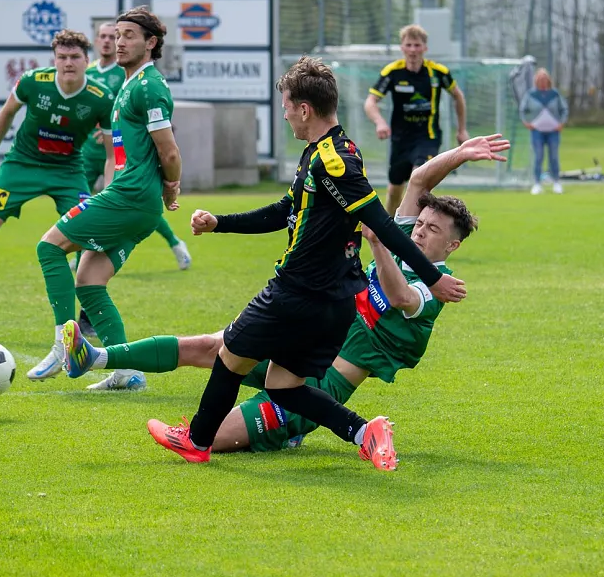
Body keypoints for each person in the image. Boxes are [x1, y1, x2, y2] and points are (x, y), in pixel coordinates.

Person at [62, 139, 501, 466]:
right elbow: (421, 178)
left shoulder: (439, 285)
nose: (420, 230)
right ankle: (96, 355)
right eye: (420, 222)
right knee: (213, 347)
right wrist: (463, 151)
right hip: (310, 338)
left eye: (433, 230)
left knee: (218, 434)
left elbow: (402, 296)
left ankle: (300, 431)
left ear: (453, 245)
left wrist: (378, 243)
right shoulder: (403, 237)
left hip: (323, 386)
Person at [144, 56, 467, 468]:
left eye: (286, 107)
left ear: (304, 109)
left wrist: (431, 279)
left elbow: (381, 225)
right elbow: (286, 210)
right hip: (333, 300)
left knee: (229, 356)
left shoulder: (334, 161)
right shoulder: (332, 151)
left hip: (297, 292)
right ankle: (364, 431)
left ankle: (197, 440)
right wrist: (219, 223)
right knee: (283, 384)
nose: (285, 116)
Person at [28, 6, 183, 391]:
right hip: (132, 199)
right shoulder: (128, 83)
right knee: (89, 279)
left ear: (151, 43)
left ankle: (64, 346)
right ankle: (126, 371)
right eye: (117, 34)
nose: (120, 41)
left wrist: (171, 185)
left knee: (49, 247)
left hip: (130, 197)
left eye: (129, 34)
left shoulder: (148, 86)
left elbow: (170, 151)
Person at [0, 30, 116, 339]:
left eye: (74, 58)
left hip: (68, 171)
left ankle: (86, 315)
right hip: (21, 166)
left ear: (88, 60)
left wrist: (108, 191)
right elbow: (6, 114)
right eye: (62, 57)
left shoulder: (101, 98)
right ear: (54, 59)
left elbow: (112, 154)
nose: (68, 63)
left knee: (89, 235)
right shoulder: (33, 81)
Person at [81, 21, 191, 272]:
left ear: (148, 42)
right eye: (107, 36)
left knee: (129, 205)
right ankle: (83, 257)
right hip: (91, 152)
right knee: (80, 203)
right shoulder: (89, 72)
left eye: (118, 36)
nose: (112, 41)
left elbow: (160, 136)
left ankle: (174, 242)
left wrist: (171, 181)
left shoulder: (135, 76)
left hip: (126, 159)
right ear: (97, 41)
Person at [364, 24, 468, 216]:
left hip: (427, 137)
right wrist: (379, 122)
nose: (413, 50)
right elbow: (370, 102)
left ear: (425, 48)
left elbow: (458, 96)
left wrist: (462, 129)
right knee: (395, 190)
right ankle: (388, 232)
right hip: (400, 140)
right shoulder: (392, 72)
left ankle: (417, 234)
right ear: (402, 48)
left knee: (419, 179)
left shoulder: (438, 72)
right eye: (409, 45)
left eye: (417, 45)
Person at [520, 67, 569, 195]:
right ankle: (537, 183)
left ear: (548, 80)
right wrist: (527, 122)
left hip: (553, 131)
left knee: (553, 156)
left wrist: (561, 123)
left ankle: (556, 182)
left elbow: (564, 109)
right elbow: (523, 110)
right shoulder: (531, 95)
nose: (542, 81)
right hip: (537, 131)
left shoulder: (555, 94)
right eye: (540, 79)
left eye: (544, 78)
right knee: (539, 156)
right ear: (536, 80)